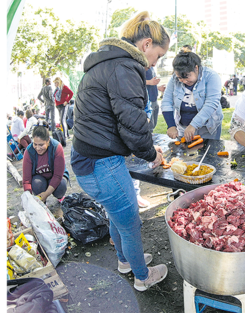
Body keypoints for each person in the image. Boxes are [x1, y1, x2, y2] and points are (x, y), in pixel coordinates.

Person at [70, 11, 170, 291]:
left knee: (117, 215)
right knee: (130, 225)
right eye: (159, 55)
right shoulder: (125, 67)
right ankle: (142, 276)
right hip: (102, 164)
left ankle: (126, 260)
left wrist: (146, 148)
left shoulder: (108, 62)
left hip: (86, 161)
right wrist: (152, 154)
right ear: (146, 45)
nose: (156, 63)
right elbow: (134, 124)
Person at [161, 51, 223, 142]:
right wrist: (171, 125)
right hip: (183, 127)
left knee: (209, 153)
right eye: (179, 78)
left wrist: (193, 125)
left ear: (196, 68)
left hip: (208, 127)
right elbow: (166, 101)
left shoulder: (211, 76)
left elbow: (211, 104)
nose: (183, 81)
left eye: (187, 77)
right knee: (184, 153)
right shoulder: (174, 78)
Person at [22, 125, 69, 204]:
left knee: (61, 186)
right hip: (39, 178)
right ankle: (42, 202)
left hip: (55, 177)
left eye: (41, 145)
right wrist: (29, 198)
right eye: (35, 144)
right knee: (37, 184)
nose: (37, 148)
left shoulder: (56, 147)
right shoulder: (29, 151)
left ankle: (60, 197)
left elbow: (58, 176)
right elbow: (26, 180)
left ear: (48, 141)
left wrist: (46, 194)